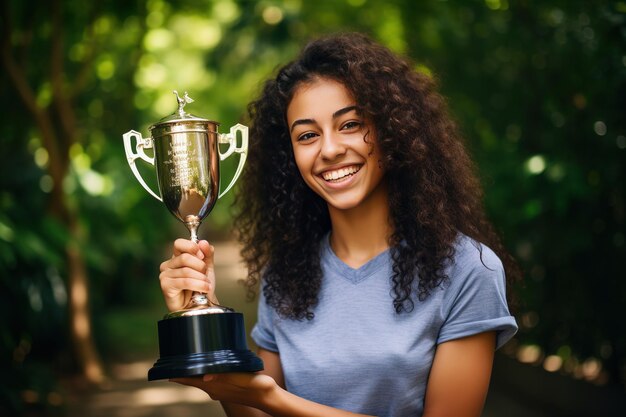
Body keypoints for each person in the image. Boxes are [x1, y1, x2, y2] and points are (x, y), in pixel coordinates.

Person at [159, 32, 520, 417]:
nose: (329, 149)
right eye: (308, 135)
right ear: (290, 156)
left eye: (350, 124)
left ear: (392, 130)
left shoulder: (468, 269)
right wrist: (210, 334)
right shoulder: (286, 277)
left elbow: (270, 401)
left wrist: (272, 397)